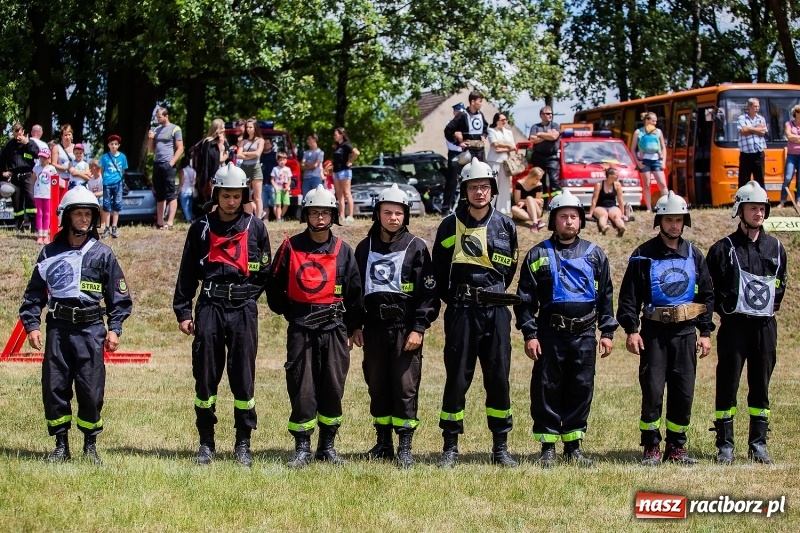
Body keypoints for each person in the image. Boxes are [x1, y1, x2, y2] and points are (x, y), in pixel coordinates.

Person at [19, 186, 133, 465]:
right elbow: (34, 293)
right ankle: (60, 445)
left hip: (91, 330)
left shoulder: (103, 254)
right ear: (66, 217)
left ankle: (90, 445)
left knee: (91, 389)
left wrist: (115, 328)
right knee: (55, 386)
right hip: (58, 329)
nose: (83, 219)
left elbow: (119, 298)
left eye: (88, 214)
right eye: (78, 214)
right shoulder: (49, 252)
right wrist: (32, 324)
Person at [173, 163, 272, 467]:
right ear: (217, 194)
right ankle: (206, 442)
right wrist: (183, 310)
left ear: (244, 196)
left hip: (243, 311)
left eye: (237, 196)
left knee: (243, 378)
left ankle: (243, 443)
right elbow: (187, 272)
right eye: (226, 196)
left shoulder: (256, 227)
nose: (231, 202)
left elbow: (264, 270)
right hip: (209, 309)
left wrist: (246, 296)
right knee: (205, 377)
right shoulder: (200, 227)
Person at [514, 189, 617, 468]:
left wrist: (607, 332)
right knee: (547, 387)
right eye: (563, 217)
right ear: (553, 220)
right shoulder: (537, 255)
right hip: (550, 334)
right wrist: (530, 334)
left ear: (581, 221)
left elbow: (606, 296)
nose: (569, 221)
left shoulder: (595, 255)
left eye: (574, 216)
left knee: (581, 387)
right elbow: (524, 300)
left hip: (584, 334)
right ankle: (547, 446)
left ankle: (573, 446)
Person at [431, 158, 520, 468]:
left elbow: (509, 270)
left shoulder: (506, 225)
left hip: (495, 312)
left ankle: (500, 447)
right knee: (457, 377)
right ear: (464, 190)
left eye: (484, 186)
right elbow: (439, 269)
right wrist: (458, 299)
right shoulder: (449, 224)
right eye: (473, 187)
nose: (479, 192)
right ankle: (450, 447)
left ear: (492, 189)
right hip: (461, 312)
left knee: (498, 378)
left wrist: (489, 295)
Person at [267, 184, 363, 468]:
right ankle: (303, 447)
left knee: (333, 385)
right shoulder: (290, 246)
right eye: (314, 212)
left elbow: (355, 292)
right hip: (301, 327)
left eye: (325, 212)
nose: (320, 218)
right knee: (301, 385)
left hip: (334, 328)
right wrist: (291, 313)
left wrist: (353, 325)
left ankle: (327, 445)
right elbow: (273, 286)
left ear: (333, 215)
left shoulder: (344, 250)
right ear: (305, 215)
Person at [617, 191, 714, 466]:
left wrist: (705, 332)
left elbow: (706, 296)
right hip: (654, 334)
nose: (674, 225)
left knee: (684, 391)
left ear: (685, 222)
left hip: (685, 334)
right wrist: (632, 329)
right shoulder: (642, 255)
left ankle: (677, 447)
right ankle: (651, 446)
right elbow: (629, 296)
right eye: (669, 220)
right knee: (653, 389)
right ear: (660, 221)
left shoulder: (695, 254)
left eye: (679, 220)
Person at [351, 184, 441, 468]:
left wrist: (419, 327)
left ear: (405, 216)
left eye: (398, 213)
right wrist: (355, 324)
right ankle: (383, 442)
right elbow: (354, 290)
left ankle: (404, 445)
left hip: (405, 328)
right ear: (377, 214)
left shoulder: (416, 247)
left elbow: (428, 292)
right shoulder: (364, 248)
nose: (393, 218)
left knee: (405, 386)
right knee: (377, 385)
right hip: (374, 327)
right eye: (387, 212)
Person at [706, 181, 787, 465]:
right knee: (727, 383)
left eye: (762, 208)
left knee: (760, 385)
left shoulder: (776, 247)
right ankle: (725, 445)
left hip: (765, 328)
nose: (759, 213)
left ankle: (758, 445)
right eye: (753, 207)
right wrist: (722, 312)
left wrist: (771, 308)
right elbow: (707, 290)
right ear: (739, 210)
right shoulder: (722, 249)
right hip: (734, 328)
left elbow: (781, 284)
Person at [148, 107, 184, 230]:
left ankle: (170, 222)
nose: (157, 119)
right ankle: (159, 222)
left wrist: (172, 162)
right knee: (159, 194)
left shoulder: (175, 128)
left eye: (159, 116)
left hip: (168, 164)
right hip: (157, 163)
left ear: (166, 116)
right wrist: (150, 138)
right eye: (156, 117)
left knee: (170, 194)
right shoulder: (156, 130)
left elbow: (180, 148)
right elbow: (150, 150)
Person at [1, 123, 39, 231]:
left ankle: (34, 225)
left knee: (30, 199)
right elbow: (2, 159)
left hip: (27, 174)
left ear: (23, 131)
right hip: (14, 176)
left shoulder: (30, 143)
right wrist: (3, 171)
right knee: (17, 202)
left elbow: (38, 153)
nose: (17, 133)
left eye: (19, 131)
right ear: (13, 132)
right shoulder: (9, 145)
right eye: (15, 131)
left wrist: (27, 144)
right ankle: (19, 225)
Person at [630, 112, 669, 211]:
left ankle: (668, 206)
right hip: (644, 160)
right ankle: (648, 208)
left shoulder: (658, 132)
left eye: (656, 121)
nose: (655, 123)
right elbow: (632, 149)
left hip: (656, 160)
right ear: (647, 120)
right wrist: (638, 163)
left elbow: (663, 148)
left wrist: (663, 161)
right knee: (647, 184)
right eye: (653, 120)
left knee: (662, 184)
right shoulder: (638, 132)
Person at [528, 106, 561, 204]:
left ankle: (557, 203)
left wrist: (540, 134)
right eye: (547, 113)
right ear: (541, 115)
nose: (550, 115)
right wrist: (547, 135)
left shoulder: (555, 125)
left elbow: (554, 136)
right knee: (539, 180)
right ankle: (543, 204)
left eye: (551, 113)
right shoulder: (535, 127)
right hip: (538, 157)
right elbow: (532, 139)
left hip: (552, 157)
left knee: (554, 180)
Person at [445, 91, 489, 164]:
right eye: (480, 101)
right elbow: (448, 130)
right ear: (473, 102)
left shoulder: (481, 115)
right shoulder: (463, 115)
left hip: (481, 151)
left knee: (484, 172)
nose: (481, 104)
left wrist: (484, 136)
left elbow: (485, 129)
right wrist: (458, 142)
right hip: (468, 151)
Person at [487, 112, 517, 214]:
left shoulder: (508, 132)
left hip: (505, 161)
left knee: (504, 185)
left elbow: (513, 147)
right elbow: (495, 144)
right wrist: (508, 147)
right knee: (493, 183)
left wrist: (504, 148)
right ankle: (489, 207)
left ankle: (503, 209)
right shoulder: (491, 130)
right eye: (502, 120)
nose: (505, 122)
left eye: (505, 120)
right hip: (494, 160)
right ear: (497, 121)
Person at [194, 119, 229, 207]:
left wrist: (222, 158)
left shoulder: (225, 141)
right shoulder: (208, 142)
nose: (223, 130)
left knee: (224, 194)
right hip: (213, 173)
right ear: (216, 129)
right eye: (222, 128)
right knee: (214, 196)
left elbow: (226, 155)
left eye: (224, 128)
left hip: (223, 169)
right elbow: (208, 160)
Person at [98, 135, 127, 239]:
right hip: (107, 183)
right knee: (106, 205)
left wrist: (118, 179)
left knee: (117, 205)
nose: (113, 146)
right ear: (108, 145)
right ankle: (106, 227)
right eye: (112, 144)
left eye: (115, 144)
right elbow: (101, 169)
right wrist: (106, 179)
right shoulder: (105, 157)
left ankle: (114, 227)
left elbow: (123, 170)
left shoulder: (122, 157)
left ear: (118, 145)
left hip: (118, 183)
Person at [587, 167, 628, 236]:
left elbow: (620, 200)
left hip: (612, 206)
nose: (618, 176)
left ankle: (621, 227)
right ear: (610, 175)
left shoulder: (617, 185)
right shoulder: (599, 184)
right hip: (600, 206)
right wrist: (590, 214)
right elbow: (594, 200)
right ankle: (603, 227)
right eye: (616, 175)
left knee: (617, 216)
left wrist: (623, 214)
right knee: (603, 215)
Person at [237, 118, 265, 220]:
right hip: (244, 168)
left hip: (255, 168)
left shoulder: (260, 140)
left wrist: (245, 153)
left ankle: (258, 218)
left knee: (257, 197)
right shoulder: (243, 141)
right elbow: (238, 155)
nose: (248, 129)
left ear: (255, 128)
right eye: (247, 127)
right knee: (246, 195)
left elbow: (258, 153)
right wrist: (250, 155)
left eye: (250, 127)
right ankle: (248, 217)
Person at [736, 98, 768, 188]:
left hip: (758, 153)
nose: (757, 108)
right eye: (755, 106)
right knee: (744, 179)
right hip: (746, 154)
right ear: (749, 107)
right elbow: (743, 131)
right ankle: (742, 201)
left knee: (760, 179)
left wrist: (749, 128)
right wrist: (757, 128)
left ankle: (762, 201)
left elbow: (763, 132)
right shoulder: (741, 118)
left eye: (758, 106)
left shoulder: (761, 119)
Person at [443, 102, 467, 216]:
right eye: (458, 112)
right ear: (454, 112)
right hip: (454, 153)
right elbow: (456, 136)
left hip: (465, 153)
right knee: (451, 182)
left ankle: (462, 208)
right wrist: (460, 139)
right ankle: (446, 208)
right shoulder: (450, 124)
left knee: (465, 181)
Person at [332, 127, 360, 222]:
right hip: (336, 172)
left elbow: (356, 152)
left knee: (347, 193)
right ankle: (342, 216)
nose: (334, 136)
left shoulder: (346, 145)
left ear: (341, 135)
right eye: (334, 135)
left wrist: (350, 161)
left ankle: (351, 216)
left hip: (344, 171)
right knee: (339, 195)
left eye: (336, 135)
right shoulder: (337, 146)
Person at [33, 148, 56, 244]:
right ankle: (40, 234)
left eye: (44, 157)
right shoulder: (36, 168)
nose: (42, 159)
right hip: (38, 193)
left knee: (47, 214)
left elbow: (55, 181)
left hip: (48, 194)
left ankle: (46, 235)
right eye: (41, 157)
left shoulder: (52, 169)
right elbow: (33, 179)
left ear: (49, 158)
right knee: (39, 213)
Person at [511, 166, 545, 232]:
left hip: (536, 211)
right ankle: (537, 221)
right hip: (523, 210)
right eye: (537, 179)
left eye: (540, 179)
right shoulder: (520, 183)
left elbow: (538, 202)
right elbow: (517, 200)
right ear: (531, 176)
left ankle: (534, 224)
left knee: (529, 198)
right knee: (513, 208)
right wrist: (528, 201)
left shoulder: (539, 185)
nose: (538, 181)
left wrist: (525, 201)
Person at [779, 104, 800, 207]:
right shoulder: (789, 123)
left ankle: (798, 200)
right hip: (792, 155)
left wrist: (794, 138)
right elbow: (788, 136)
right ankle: (782, 201)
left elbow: (792, 137)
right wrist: (796, 138)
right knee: (787, 178)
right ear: (796, 113)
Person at [51, 124, 76, 188]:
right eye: (65, 135)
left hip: (74, 179)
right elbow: (53, 164)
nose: (67, 137)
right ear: (62, 136)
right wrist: (65, 168)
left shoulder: (76, 147)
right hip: (61, 179)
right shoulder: (56, 148)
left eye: (69, 134)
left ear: (72, 135)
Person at [270, 152, 292, 222]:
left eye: (284, 159)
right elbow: (272, 179)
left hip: (285, 189)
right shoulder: (275, 169)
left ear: (286, 160)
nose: (282, 161)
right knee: (278, 204)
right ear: (277, 161)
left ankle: (281, 215)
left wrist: (287, 186)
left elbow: (289, 179)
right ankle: (278, 218)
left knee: (286, 203)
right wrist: (275, 187)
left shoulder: (288, 169)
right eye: (280, 160)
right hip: (278, 189)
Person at [259, 137, 277, 220]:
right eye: (264, 144)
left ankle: (278, 219)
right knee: (264, 203)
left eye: (268, 143)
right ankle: (266, 219)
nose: (266, 145)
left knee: (275, 203)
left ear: (271, 145)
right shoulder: (260, 156)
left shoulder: (275, 155)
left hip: (273, 183)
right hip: (262, 183)